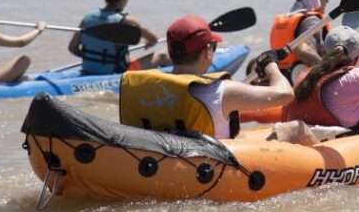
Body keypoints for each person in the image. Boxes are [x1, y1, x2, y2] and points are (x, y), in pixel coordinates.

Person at [119, 15, 294, 139]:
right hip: (207, 171)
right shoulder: (224, 91)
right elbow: (286, 94)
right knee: (296, 129)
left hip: (155, 162)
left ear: (170, 52)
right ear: (207, 53)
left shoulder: (148, 87)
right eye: (213, 47)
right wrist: (270, 64)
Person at [68, 0, 169, 75]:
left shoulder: (87, 17)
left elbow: (72, 48)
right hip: (117, 72)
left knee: (128, 57)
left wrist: (91, 59)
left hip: (88, 69)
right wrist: (150, 43)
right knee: (162, 56)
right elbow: (154, 39)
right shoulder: (127, 20)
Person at [267, 0, 335, 82]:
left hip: (281, 81)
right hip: (301, 84)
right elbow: (303, 49)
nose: (327, 1)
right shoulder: (311, 20)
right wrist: (329, 76)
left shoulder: (285, 19)